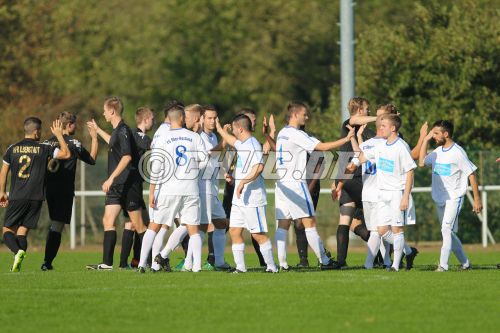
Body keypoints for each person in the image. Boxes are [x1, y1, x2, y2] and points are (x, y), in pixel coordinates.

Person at [274, 101, 353, 271]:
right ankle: (324, 261)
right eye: (304, 114)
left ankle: (282, 264)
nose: (307, 117)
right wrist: (345, 139)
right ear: (295, 115)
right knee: (309, 223)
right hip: (296, 183)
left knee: (283, 224)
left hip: (281, 184)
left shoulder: (282, 133)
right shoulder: (296, 134)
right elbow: (321, 147)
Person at [141, 101, 207, 273]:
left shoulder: (162, 138)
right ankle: (197, 267)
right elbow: (205, 160)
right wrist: (192, 171)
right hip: (190, 188)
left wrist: (152, 191)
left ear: (169, 119)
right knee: (193, 229)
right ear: (183, 118)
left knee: (155, 225)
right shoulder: (194, 137)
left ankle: (143, 264)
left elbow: (155, 168)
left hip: (169, 189)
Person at [0, 117, 70, 272]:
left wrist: (2, 192)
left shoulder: (12, 148)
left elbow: (4, 171)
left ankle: (17, 252)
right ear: (36, 131)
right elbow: (66, 154)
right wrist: (59, 135)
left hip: (18, 196)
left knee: (7, 231)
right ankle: (17, 262)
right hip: (37, 198)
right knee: (22, 232)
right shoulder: (44, 148)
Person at [86, 97, 147, 270]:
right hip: (116, 185)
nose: (103, 113)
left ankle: (149, 261)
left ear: (112, 111)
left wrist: (111, 177)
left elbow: (127, 157)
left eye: (105, 110)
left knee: (139, 225)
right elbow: (113, 141)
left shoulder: (123, 130)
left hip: (128, 184)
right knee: (108, 220)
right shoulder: (117, 132)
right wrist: (97, 130)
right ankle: (107, 263)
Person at [350, 114, 416, 271]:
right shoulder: (380, 146)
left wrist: (405, 196)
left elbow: (410, 171)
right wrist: (353, 138)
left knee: (396, 229)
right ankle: (408, 251)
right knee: (381, 230)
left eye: (383, 126)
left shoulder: (401, 146)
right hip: (382, 194)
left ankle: (395, 265)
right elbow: (362, 158)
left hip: (397, 193)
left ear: (393, 128)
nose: (380, 128)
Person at [216, 114, 277, 273]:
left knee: (258, 234)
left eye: (235, 129)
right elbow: (231, 140)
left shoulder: (252, 145)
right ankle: (241, 268)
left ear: (240, 128)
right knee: (234, 231)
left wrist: (243, 182)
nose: (234, 132)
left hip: (252, 198)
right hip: (240, 198)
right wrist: (219, 129)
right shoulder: (243, 143)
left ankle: (272, 267)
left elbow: (259, 167)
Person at [419, 120, 482, 271]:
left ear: (446, 134)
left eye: (436, 133)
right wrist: (425, 140)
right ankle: (466, 264)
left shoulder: (458, 152)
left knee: (446, 229)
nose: (433, 136)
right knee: (448, 232)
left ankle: (443, 266)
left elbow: (471, 174)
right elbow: (421, 162)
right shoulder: (436, 152)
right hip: (440, 198)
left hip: (454, 197)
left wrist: (477, 199)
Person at [41, 112, 98, 271]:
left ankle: (47, 261)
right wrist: (94, 138)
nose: (76, 127)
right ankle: (47, 262)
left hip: (49, 190)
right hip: (64, 191)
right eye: (75, 124)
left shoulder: (46, 143)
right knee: (57, 226)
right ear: (70, 125)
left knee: (54, 224)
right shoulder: (74, 143)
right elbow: (92, 159)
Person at [119, 107, 154, 269]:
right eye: (152, 119)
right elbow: (155, 148)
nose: (153, 121)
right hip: (133, 184)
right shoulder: (141, 136)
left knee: (131, 223)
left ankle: (128, 261)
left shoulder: (128, 133)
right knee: (143, 225)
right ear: (146, 119)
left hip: (131, 183)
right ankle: (148, 260)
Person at [198, 105, 230, 270]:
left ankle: (218, 261)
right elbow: (210, 153)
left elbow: (215, 157)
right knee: (199, 226)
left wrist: (224, 172)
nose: (212, 121)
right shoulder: (200, 136)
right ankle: (189, 262)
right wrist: (224, 140)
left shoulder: (212, 137)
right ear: (202, 119)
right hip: (203, 187)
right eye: (209, 118)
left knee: (221, 223)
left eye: (215, 118)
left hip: (212, 187)